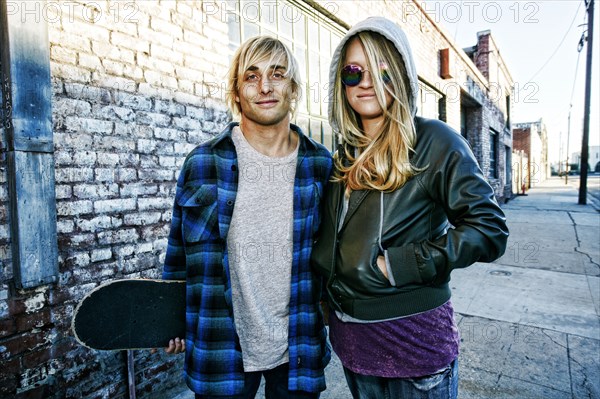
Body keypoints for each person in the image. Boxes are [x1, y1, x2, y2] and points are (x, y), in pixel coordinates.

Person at [311, 17, 509, 399]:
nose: (366, 82)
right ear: (341, 82)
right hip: (353, 343)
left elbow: (489, 230)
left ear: (402, 76)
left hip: (413, 342)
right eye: (355, 72)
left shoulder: (436, 141)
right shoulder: (342, 157)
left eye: (383, 71)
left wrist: (406, 263)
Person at [162, 36, 332, 398]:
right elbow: (177, 254)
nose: (265, 86)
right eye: (251, 76)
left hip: (298, 348)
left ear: (294, 88)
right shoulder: (202, 163)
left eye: (277, 74)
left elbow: (334, 252)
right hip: (219, 346)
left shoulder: (321, 166)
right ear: (237, 92)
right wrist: (169, 319)